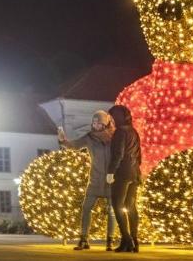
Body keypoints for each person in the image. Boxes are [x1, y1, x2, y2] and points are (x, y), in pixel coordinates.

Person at [59, 110, 117, 251]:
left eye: (99, 123)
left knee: (112, 211)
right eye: (94, 123)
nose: (95, 125)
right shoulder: (89, 137)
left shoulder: (115, 137)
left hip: (111, 180)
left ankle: (110, 241)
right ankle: (83, 240)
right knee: (86, 209)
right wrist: (63, 140)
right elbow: (75, 145)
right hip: (95, 180)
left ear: (106, 123)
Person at [107, 104, 142, 253]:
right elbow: (139, 155)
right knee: (130, 206)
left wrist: (110, 172)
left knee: (118, 206)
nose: (111, 121)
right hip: (135, 173)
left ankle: (127, 240)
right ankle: (132, 241)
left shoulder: (120, 132)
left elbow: (118, 154)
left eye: (112, 118)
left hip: (122, 173)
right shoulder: (133, 131)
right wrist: (136, 171)